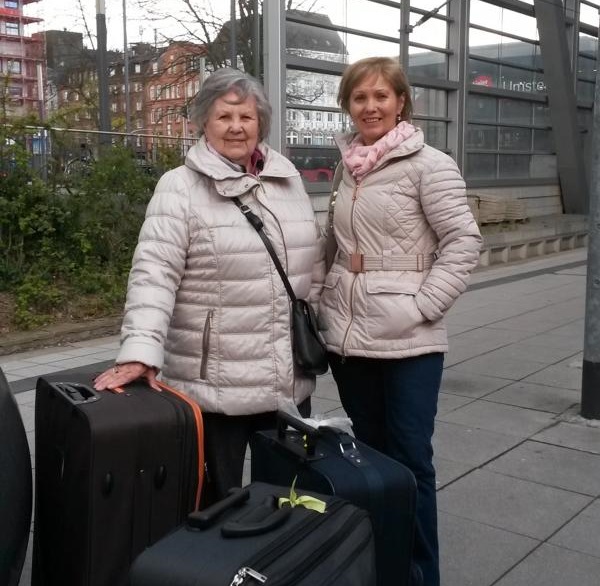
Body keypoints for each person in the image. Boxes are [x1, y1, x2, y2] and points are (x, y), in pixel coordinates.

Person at [94, 67, 324, 506]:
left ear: (261, 123)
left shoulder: (287, 179)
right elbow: (154, 274)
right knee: (218, 505)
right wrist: (141, 350)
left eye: (247, 116)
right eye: (224, 116)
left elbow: (310, 267)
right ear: (204, 122)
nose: (237, 126)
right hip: (217, 382)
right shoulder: (179, 188)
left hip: (286, 379)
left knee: (288, 502)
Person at [319, 56, 482, 586]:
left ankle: (419, 574)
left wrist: (423, 307)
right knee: (369, 458)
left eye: (380, 96)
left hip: (410, 340)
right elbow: (332, 245)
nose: (370, 107)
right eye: (360, 97)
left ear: (401, 102)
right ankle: (380, 565)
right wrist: (319, 300)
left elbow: (463, 241)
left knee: (411, 461)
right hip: (350, 338)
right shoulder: (347, 166)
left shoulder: (429, 164)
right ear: (348, 105)